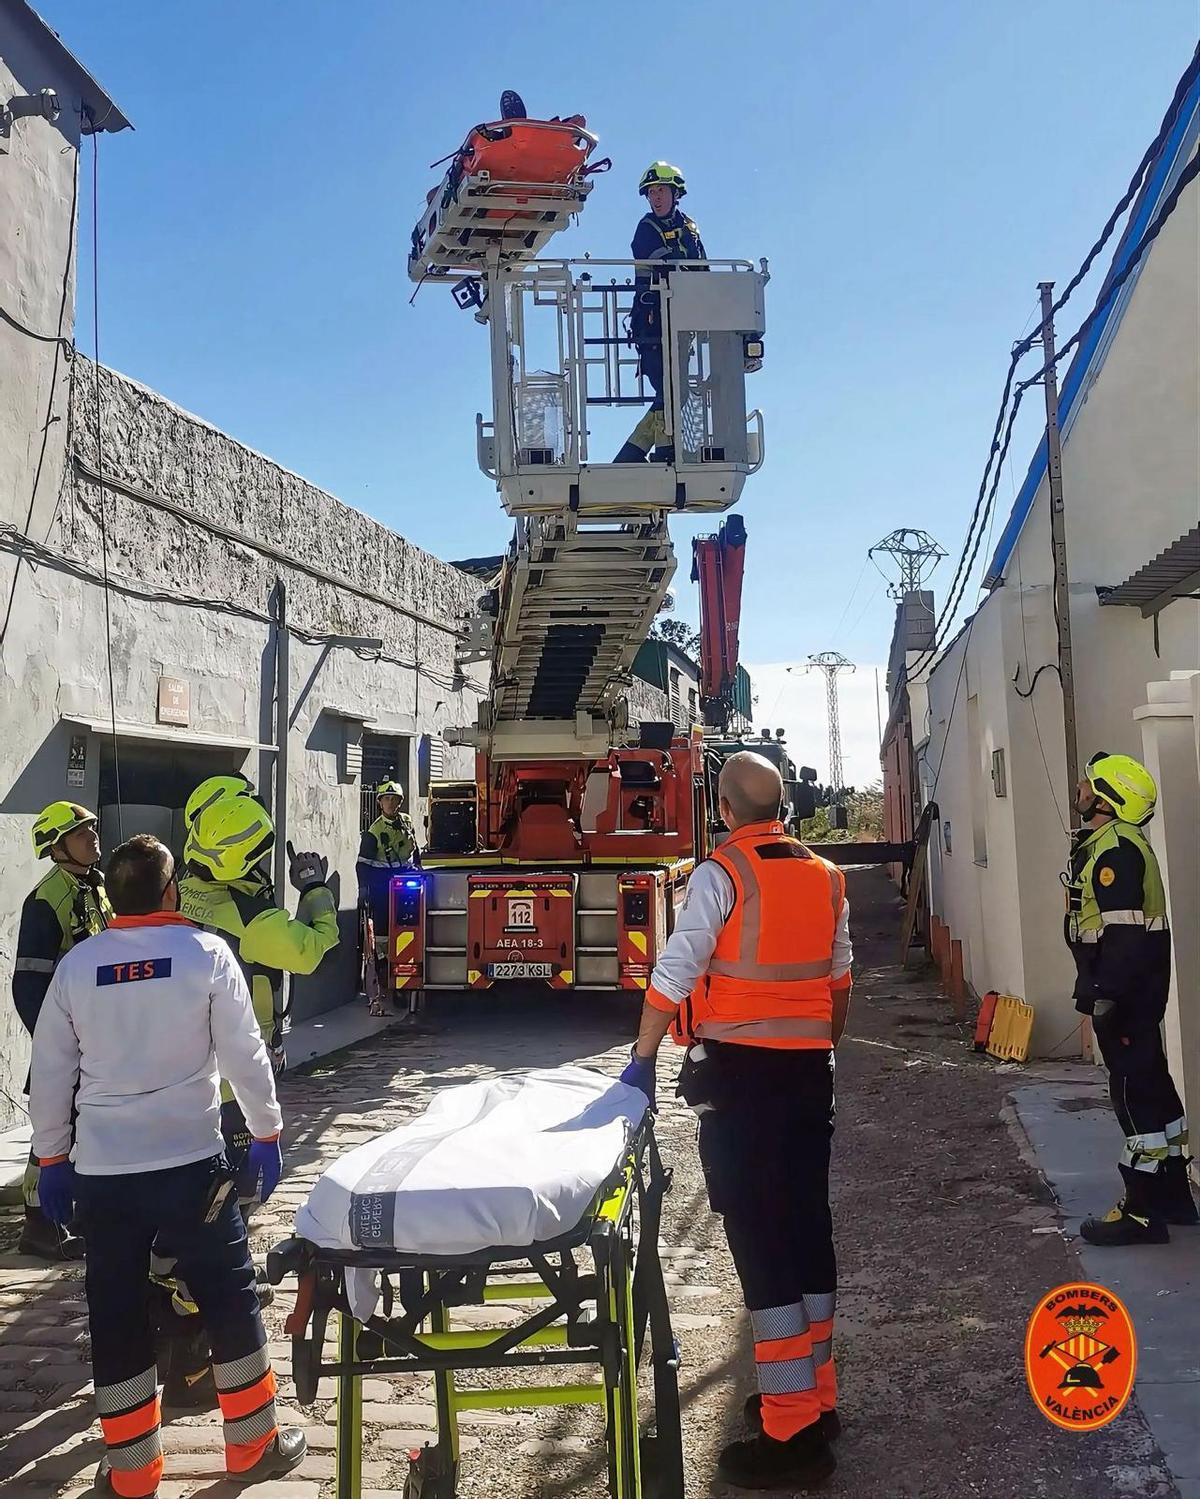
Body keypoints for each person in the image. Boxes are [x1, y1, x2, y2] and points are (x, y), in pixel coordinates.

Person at [28, 834, 307, 1496]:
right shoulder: (205, 954)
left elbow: (51, 1068)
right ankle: (253, 1446)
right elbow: (246, 1054)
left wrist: (53, 1157)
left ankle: (131, 1472)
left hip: (103, 1175)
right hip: (191, 1168)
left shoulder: (79, 967)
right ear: (169, 890)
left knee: (117, 1309)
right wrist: (266, 1133)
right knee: (230, 1295)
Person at [620, 751, 852, 1491]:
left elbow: (676, 970)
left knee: (760, 1240)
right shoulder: (827, 875)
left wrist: (642, 1057)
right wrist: (816, 1049)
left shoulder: (722, 873)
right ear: (782, 803)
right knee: (807, 1228)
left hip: (742, 1082)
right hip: (807, 1077)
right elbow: (839, 980)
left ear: (722, 806)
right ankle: (816, 1396)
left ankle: (792, 1432)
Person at [1065, 752, 1196, 1246]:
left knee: (1132, 1096)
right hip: (1137, 995)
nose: (1080, 787)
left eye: (1089, 783)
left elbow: (1122, 938)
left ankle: (1141, 1212)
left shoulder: (1115, 852)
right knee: (1155, 1089)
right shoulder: (1116, 844)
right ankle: (1174, 1199)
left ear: (1106, 800)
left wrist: (1101, 995)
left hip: (1124, 997)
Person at [11, 801, 112, 1258]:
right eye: (81, 833)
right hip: (67, 1038)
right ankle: (39, 1226)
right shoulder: (47, 899)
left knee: (81, 1128)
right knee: (52, 1132)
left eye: (92, 829)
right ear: (57, 847)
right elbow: (28, 984)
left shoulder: (95, 885)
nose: (93, 837)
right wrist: (54, 1045)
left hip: (97, 1034)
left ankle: (71, 1216)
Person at [614, 161, 707, 465]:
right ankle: (656, 452)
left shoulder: (690, 228)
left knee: (673, 391)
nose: (656, 197)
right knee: (668, 390)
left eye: (661, 191)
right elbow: (665, 265)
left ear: (675, 193)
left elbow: (701, 267)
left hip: (683, 321)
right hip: (652, 324)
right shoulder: (645, 229)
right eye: (651, 192)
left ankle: (636, 454)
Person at [356, 778, 421, 1010]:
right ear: (380, 803)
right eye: (387, 799)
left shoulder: (406, 822)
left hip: (409, 883)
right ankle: (385, 977)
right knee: (383, 935)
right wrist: (364, 889)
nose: (391, 803)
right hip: (383, 887)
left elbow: (415, 850)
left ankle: (409, 976)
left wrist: (421, 872)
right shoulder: (374, 832)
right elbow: (362, 865)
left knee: (412, 930)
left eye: (395, 799)